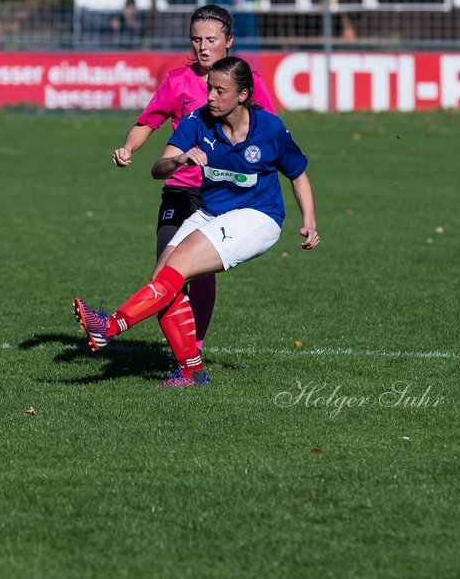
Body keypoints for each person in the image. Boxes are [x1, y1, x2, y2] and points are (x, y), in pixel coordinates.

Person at [75, 56, 319, 388]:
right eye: (209, 89)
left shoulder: (270, 129)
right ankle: (191, 372)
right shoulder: (197, 121)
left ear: (243, 95)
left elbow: (298, 174)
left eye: (220, 91)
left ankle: (111, 326)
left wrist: (309, 221)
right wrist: (178, 159)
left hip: (259, 217)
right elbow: (157, 169)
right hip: (210, 211)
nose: (211, 97)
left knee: (180, 268)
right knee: (163, 280)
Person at [110, 4, 276, 353]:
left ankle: (192, 350)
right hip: (179, 191)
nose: (202, 47)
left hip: (221, 196)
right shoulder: (178, 81)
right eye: (196, 39)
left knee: (199, 274)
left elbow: (269, 134)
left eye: (211, 40)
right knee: (165, 274)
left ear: (228, 41)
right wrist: (128, 148)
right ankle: (182, 352)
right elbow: (147, 123)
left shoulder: (249, 83)